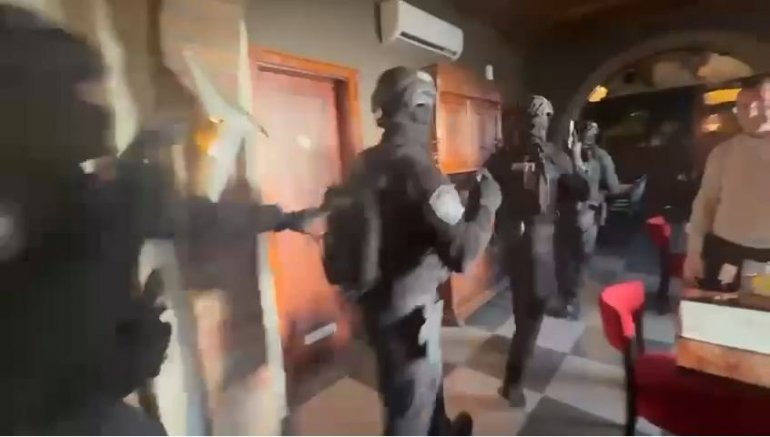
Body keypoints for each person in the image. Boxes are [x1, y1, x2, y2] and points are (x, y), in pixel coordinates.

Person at [0, 7, 311, 434]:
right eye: (83, 90)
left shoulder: (85, 193)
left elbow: (195, 217)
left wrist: (284, 217)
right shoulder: (88, 203)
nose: (101, 107)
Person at [331, 66, 502, 435]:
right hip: (409, 312)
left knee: (420, 383)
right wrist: (488, 204)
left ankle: (440, 429)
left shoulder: (364, 161)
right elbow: (463, 252)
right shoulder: (420, 171)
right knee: (409, 409)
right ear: (418, 106)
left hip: (376, 302)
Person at [486, 96, 589, 407]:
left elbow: (484, 196)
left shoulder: (502, 158)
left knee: (528, 309)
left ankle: (516, 363)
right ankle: (512, 383)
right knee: (530, 315)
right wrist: (576, 158)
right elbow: (583, 190)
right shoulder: (551, 155)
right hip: (537, 246)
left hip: (523, 244)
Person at [684, 81, 770, 291]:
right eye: (743, 106)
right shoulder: (723, 153)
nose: (751, 112)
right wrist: (693, 251)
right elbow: (705, 203)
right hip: (726, 253)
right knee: (719, 309)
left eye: (760, 104)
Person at [547, 120, 635, 320]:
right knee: (580, 260)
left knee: (564, 260)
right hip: (588, 215)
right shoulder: (602, 156)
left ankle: (567, 301)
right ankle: (572, 300)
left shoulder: (563, 156)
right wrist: (600, 192)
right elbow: (613, 187)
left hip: (565, 214)